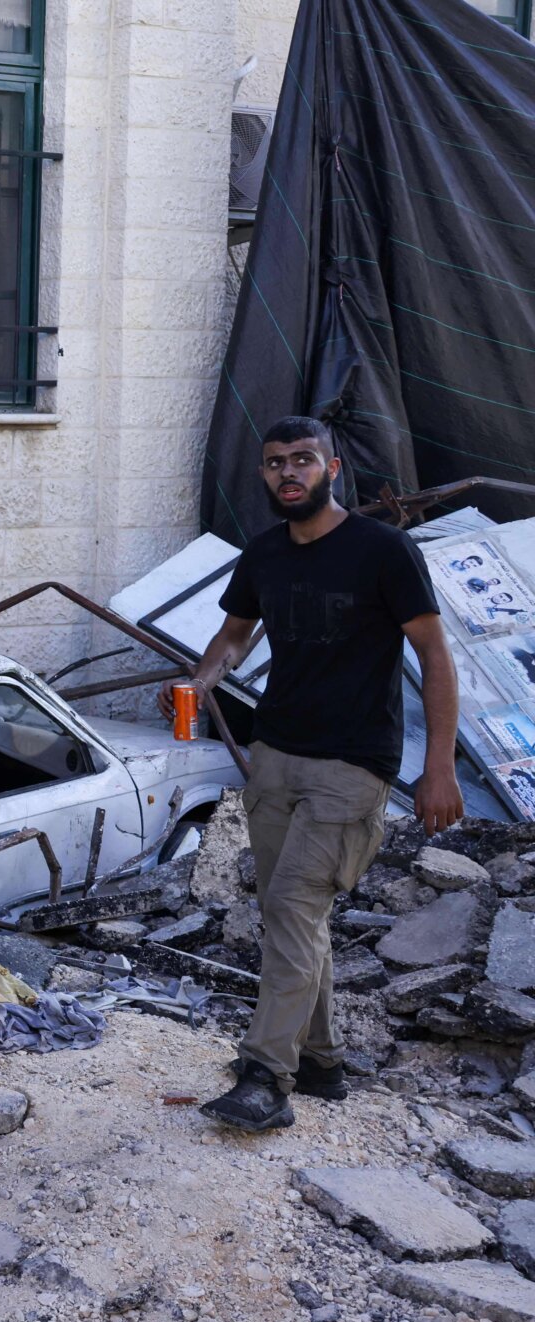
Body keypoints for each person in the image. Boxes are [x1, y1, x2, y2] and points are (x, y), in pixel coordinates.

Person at [172, 414, 463, 1132]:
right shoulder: (266, 554)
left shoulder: (382, 552)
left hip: (354, 763)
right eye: (275, 464)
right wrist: (203, 678)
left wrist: (439, 768)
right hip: (275, 755)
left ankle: (267, 1076)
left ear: (333, 469)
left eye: (303, 460)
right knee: (292, 914)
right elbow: (235, 635)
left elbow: (435, 657)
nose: (287, 473)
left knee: (292, 908)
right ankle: (323, 1062)